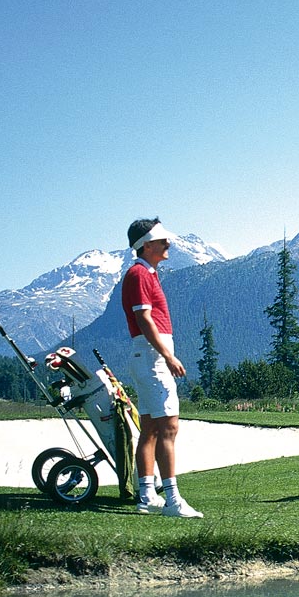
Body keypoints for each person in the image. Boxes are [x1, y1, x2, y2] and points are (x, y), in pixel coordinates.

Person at [123, 218, 202, 518]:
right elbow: (144, 320)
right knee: (168, 426)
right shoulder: (140, 274)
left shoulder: (147, 273)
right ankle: (172, 500)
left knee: (152, 428)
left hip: (147, 357)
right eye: (161, 240)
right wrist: (168, 356)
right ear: (146, 245)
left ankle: (146, 495)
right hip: (152, 357)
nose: (168, 243)